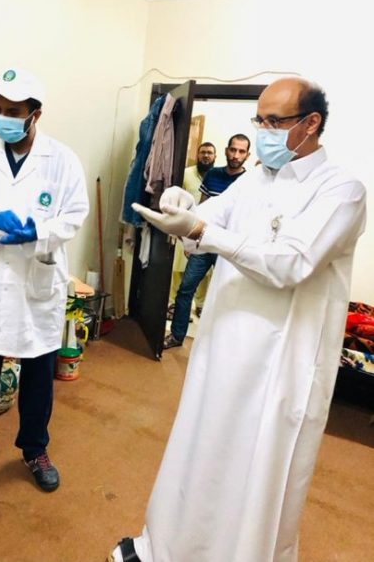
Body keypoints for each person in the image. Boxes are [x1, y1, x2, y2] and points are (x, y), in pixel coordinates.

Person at [110, 77, 366, 562]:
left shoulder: (342, 191)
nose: (263, 131)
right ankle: (169, 547)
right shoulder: (255, 178)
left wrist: (203, 229)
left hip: (281, 364)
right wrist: (185, 206)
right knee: (201, 451)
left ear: (311, 123)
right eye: (259, 120)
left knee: (256, 473)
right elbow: (207, 222)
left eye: (274, 122)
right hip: (224, 341)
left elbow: (290, 264)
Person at [0, 67, 89, 497]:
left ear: (35, 115)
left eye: (12, 111)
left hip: (35, 280)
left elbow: (74, 214)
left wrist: (38, 232)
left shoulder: (62, 159)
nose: (2, 118)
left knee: (39, 374)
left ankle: (34, 449)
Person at [164, 134, 250, 349]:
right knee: (186, 289)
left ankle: (218, 344)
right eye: (233, 150)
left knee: (226, 296)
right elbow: (201, 210)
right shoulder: (212, 175)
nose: (236, 155)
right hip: (204, 244)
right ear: (226, 151)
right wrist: (190, 242)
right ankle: (177, 336)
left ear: (247, 155)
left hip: (228, 248)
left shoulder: (249, 182)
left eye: (241, 151)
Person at [167, 142, 216, 318]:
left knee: (204, 273)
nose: (206, 156)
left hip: (206, 231)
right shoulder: (186, 174)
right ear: (197, 154)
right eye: (203, 152)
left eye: (209, 153)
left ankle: (200, 304)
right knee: (179, 269)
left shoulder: (216, 176)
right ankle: (173, 303)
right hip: (184, 228)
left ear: (215, 156)